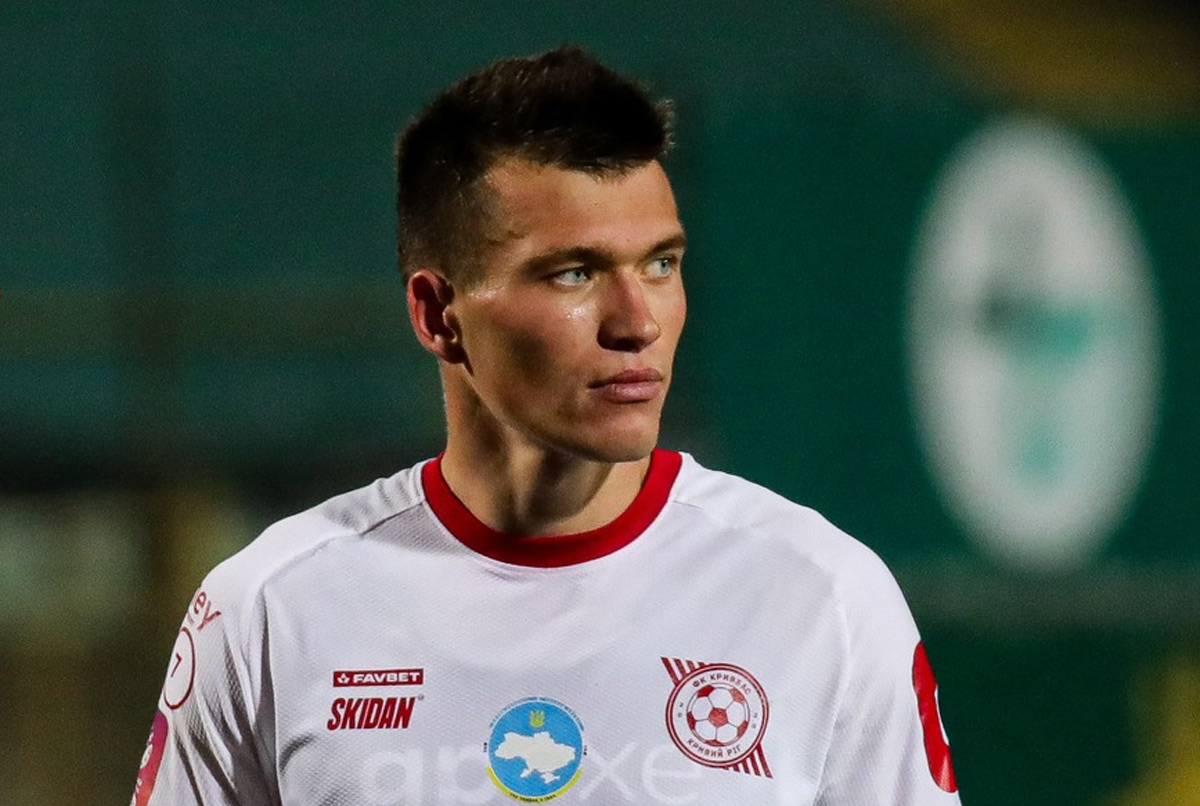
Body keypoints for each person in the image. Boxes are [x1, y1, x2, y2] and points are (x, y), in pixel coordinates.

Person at [132, 46, 961, 805]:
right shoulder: (270, 609)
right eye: (574, 274)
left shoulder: (822, 597)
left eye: (661, 264)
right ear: (438, 314)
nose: (637, 322)